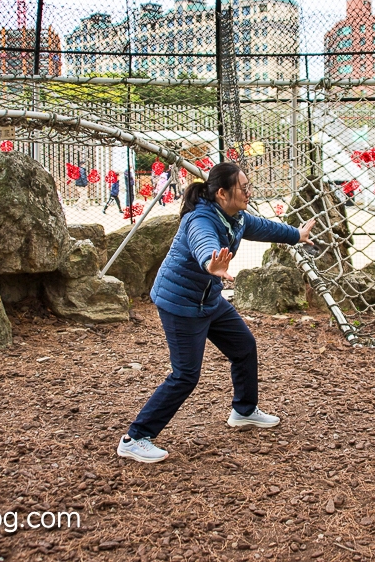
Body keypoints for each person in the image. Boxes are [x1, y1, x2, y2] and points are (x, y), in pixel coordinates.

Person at [117, 162, 316, 463]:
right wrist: (212, 264)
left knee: (244, 347)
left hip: (208, 299)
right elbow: (203, 243)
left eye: (249, 186)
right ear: (222, 193)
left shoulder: (235, 218)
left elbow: (264, 227)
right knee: (185, 375)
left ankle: (244, 411)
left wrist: (295, 235)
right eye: (243, 187)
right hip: (181, 303)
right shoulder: (201, 219)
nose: (249, 191)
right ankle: (136, 437)